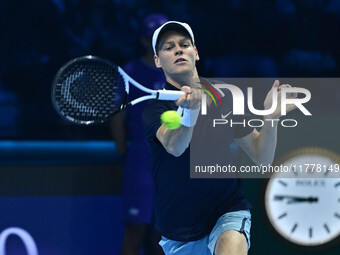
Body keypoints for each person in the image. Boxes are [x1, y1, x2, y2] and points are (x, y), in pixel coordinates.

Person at [142, 21, 297, 255]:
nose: (178, 50)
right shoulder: (155, 109)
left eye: (185, 44)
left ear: (196, 52)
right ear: (157, 60)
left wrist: (270, 118)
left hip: (227, 210)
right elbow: (175, 146)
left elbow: (261, 157)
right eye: (168, 47)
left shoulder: (225, 95)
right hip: (179, 230)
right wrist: (189, 112)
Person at [111, 14, 168, 255]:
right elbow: (117, 119)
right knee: (135, 231)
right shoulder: (130, 72)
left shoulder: (180, 73)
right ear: (144, 41)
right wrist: (127, 155)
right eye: (152, 38)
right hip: (141, 162)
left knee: (161, 235)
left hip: (170, 165)